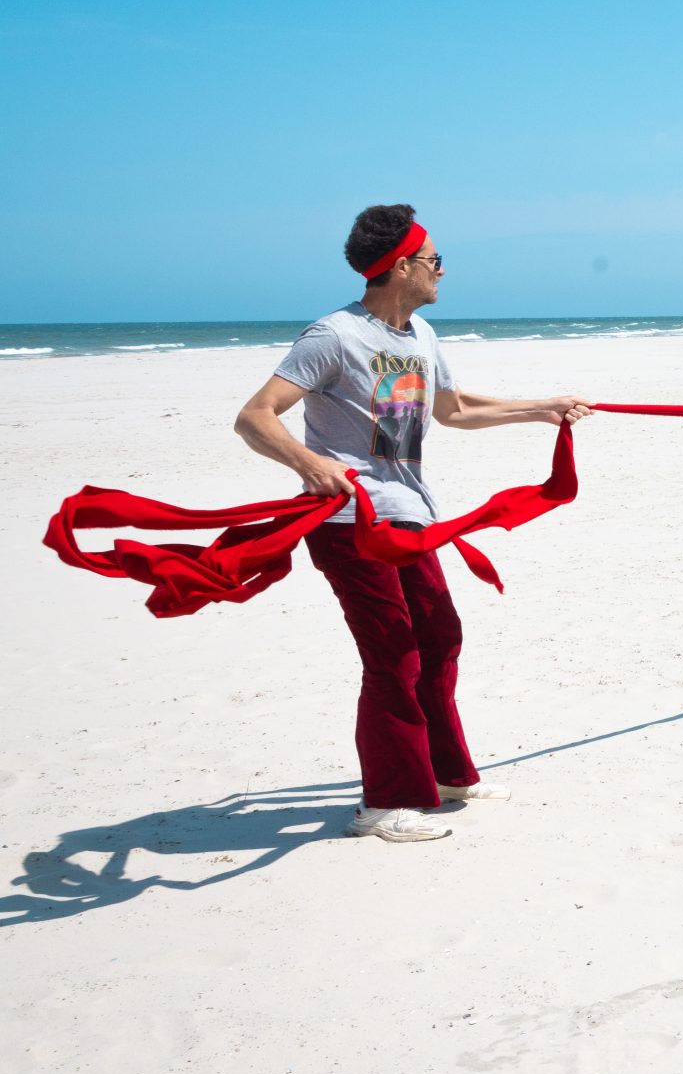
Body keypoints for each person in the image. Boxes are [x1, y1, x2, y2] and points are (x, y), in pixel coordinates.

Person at [232, 205, 589, 843]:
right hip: (349, 522)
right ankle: (384, 803)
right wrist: (311, 463)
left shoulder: (420, 336)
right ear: (401, 266)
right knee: (391, 655)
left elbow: (454, 409)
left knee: (439, 640)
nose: (442, 272)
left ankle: (448, 774)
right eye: (433, 262)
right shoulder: (333, 336)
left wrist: (544, 409)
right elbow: (256, 416)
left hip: (412, 519)